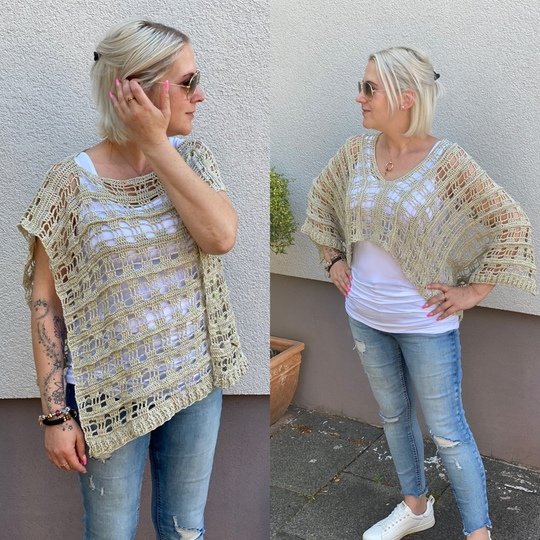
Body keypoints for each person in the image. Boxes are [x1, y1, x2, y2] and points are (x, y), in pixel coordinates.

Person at [19, 20, 247, 540]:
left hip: (195, 380)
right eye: (187, 82)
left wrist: (156, 145)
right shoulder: (70, 184)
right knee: (110, 533)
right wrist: (55, 416)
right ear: (137, 90)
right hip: (108, 393)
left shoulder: (193, 161)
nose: (200, 95)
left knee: (185, 530)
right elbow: (45, 303)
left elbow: (221, 237)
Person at [302, 46, 536, 540]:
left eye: (369, 88)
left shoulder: (447, 161)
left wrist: (473, 291)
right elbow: (321, 199)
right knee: (393, 417)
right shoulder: (355, 153)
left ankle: (478, 533)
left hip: (426, 322)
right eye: (361, 86)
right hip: (364, 315)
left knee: (448, 431)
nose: (359, 97)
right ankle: (415, 507)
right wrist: (333, 259)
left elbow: (510, 224)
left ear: (405, 98)